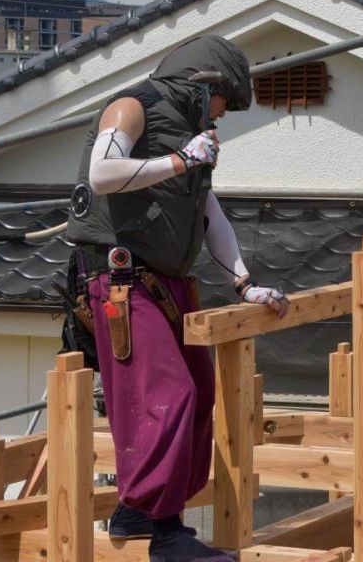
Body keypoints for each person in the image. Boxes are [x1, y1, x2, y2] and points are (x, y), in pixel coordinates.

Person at [66, 35, 289, 562]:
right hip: (119, 280)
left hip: (166, 283)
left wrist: (244, 281)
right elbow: (102, 174)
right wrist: (178, 160)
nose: (223, 115)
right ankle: (167, 538)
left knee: (200, 392)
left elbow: (210, 216)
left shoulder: (190, 142)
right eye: (224, 102)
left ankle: (136, 511)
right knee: (168, 395)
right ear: (204, 85)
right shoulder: (131, 108)